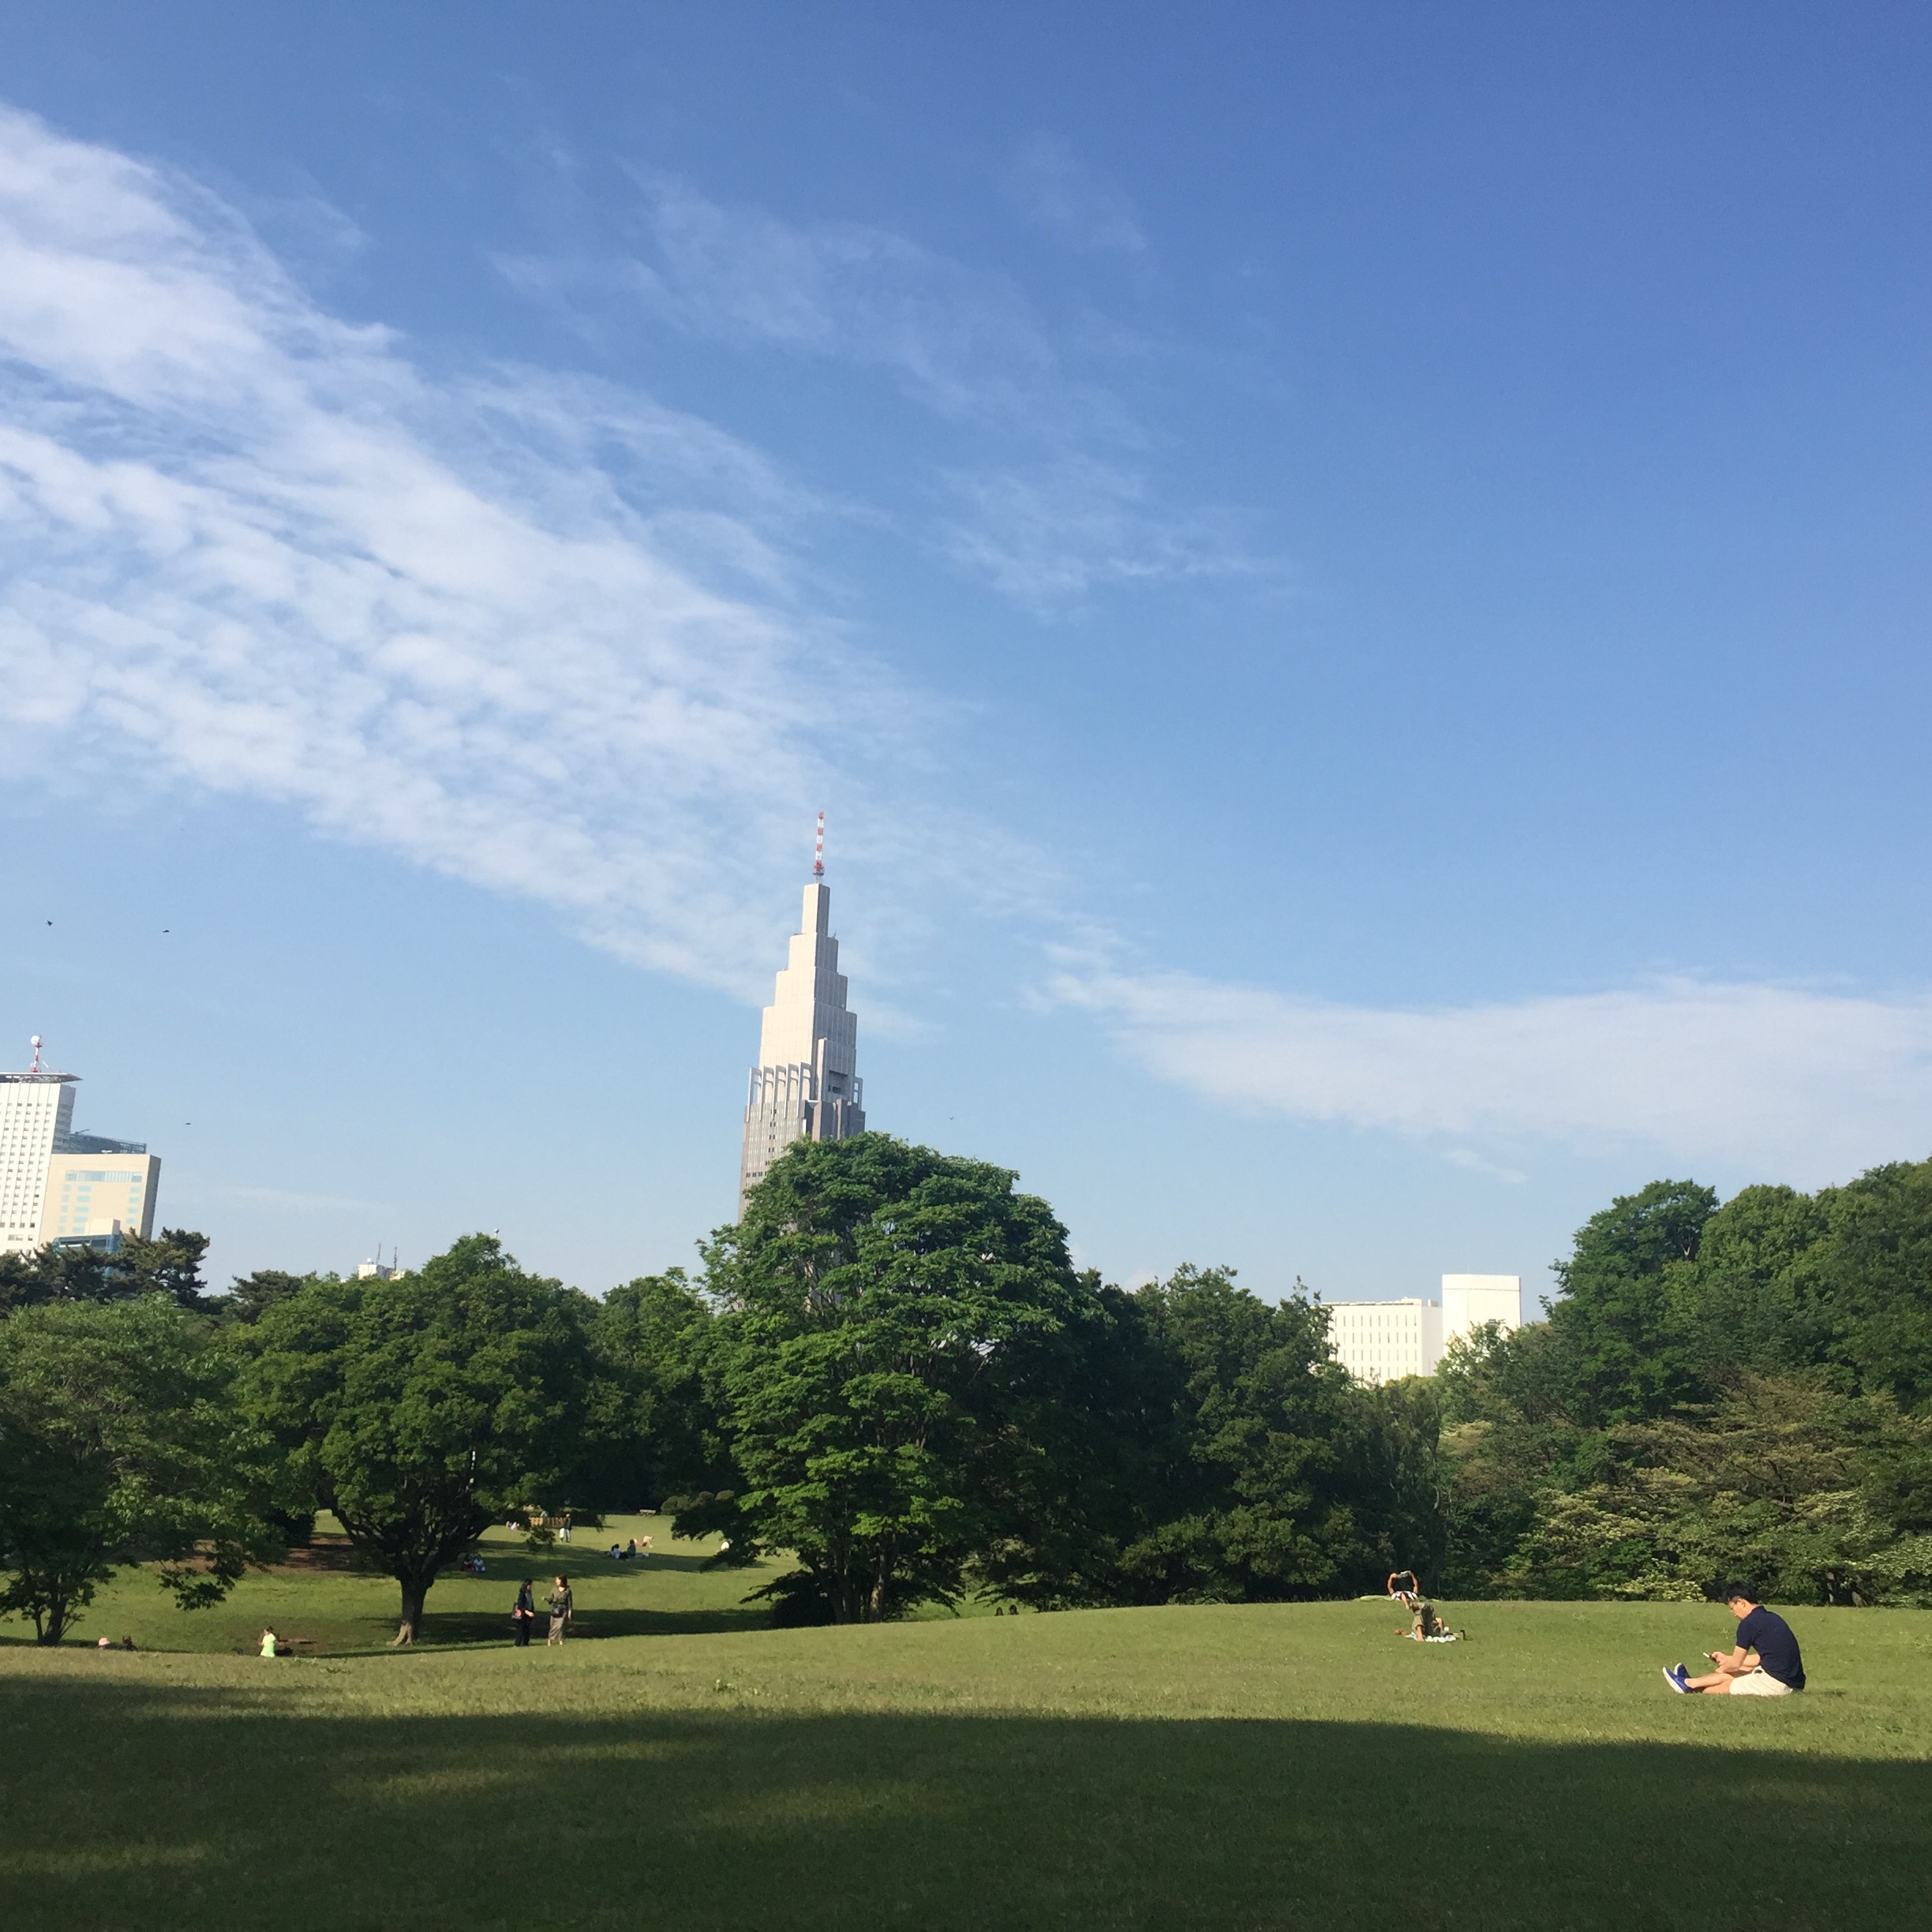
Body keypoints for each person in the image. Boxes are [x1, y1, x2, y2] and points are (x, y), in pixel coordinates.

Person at [1664, 1585, 1805, 1695]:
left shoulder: (1748, 1623)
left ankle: (1689, 1687)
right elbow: (1763, 1657)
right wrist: (1728, 1659)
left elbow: (1734, 1665)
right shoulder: (1772, 1618)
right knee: (1740, 1671)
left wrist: (1724, 1666)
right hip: (1794, 1685)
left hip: (1776, 1685)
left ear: (1741, 1602)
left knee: (1727, 1680)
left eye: (1733, 1608)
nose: (1734, 1614)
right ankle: (1690, 1682)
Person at [546, 1574, 573, 1646]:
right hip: (555, 1610)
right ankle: (550, 1639)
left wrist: (569, 1613)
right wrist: (547, 1599)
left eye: (557, 1580)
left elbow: (569, 1603)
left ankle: (560, 1639)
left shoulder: (567, 1591)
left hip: (563, 1611)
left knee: (560, 1625)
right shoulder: (554, 1589)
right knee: (553, 1626)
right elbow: (551, 1600)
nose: (556, 1581)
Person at [512, 1578, 535, 1647]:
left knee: (527, 1628)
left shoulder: (529, 1594)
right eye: (529, 1585)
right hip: (523, 1614)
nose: (530, 1587)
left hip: (528, 1614)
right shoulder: (522, 1594)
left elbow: (531, 1603)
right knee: (521, 1629)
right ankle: (517, 1643)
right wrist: (527, 1612)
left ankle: (525, 1642)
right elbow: (520, 1604)